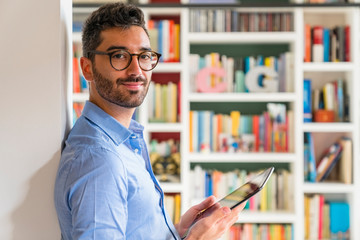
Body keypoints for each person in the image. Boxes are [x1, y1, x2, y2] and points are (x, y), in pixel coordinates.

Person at [54, 3, 245, 239]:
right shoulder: (100, 159)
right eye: (119, 56)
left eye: (144, 56)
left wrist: (176, 233)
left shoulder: (122, 140)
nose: (137, 70)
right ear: (87, 68)